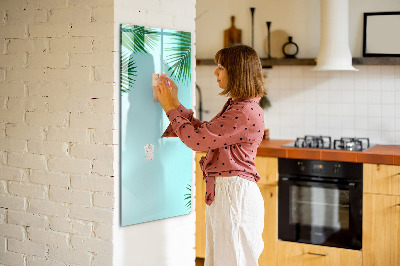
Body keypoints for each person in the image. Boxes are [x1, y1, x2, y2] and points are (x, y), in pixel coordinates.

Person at [153, 44, 266, 266]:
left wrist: (169, 108)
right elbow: (205, 133)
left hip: (234, 196)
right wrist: (175, 103)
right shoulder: (239, 106)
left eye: (221, 67)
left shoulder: (243, 111)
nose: (215, 72)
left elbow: (197, 141)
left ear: (237, 72)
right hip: (228, 194)